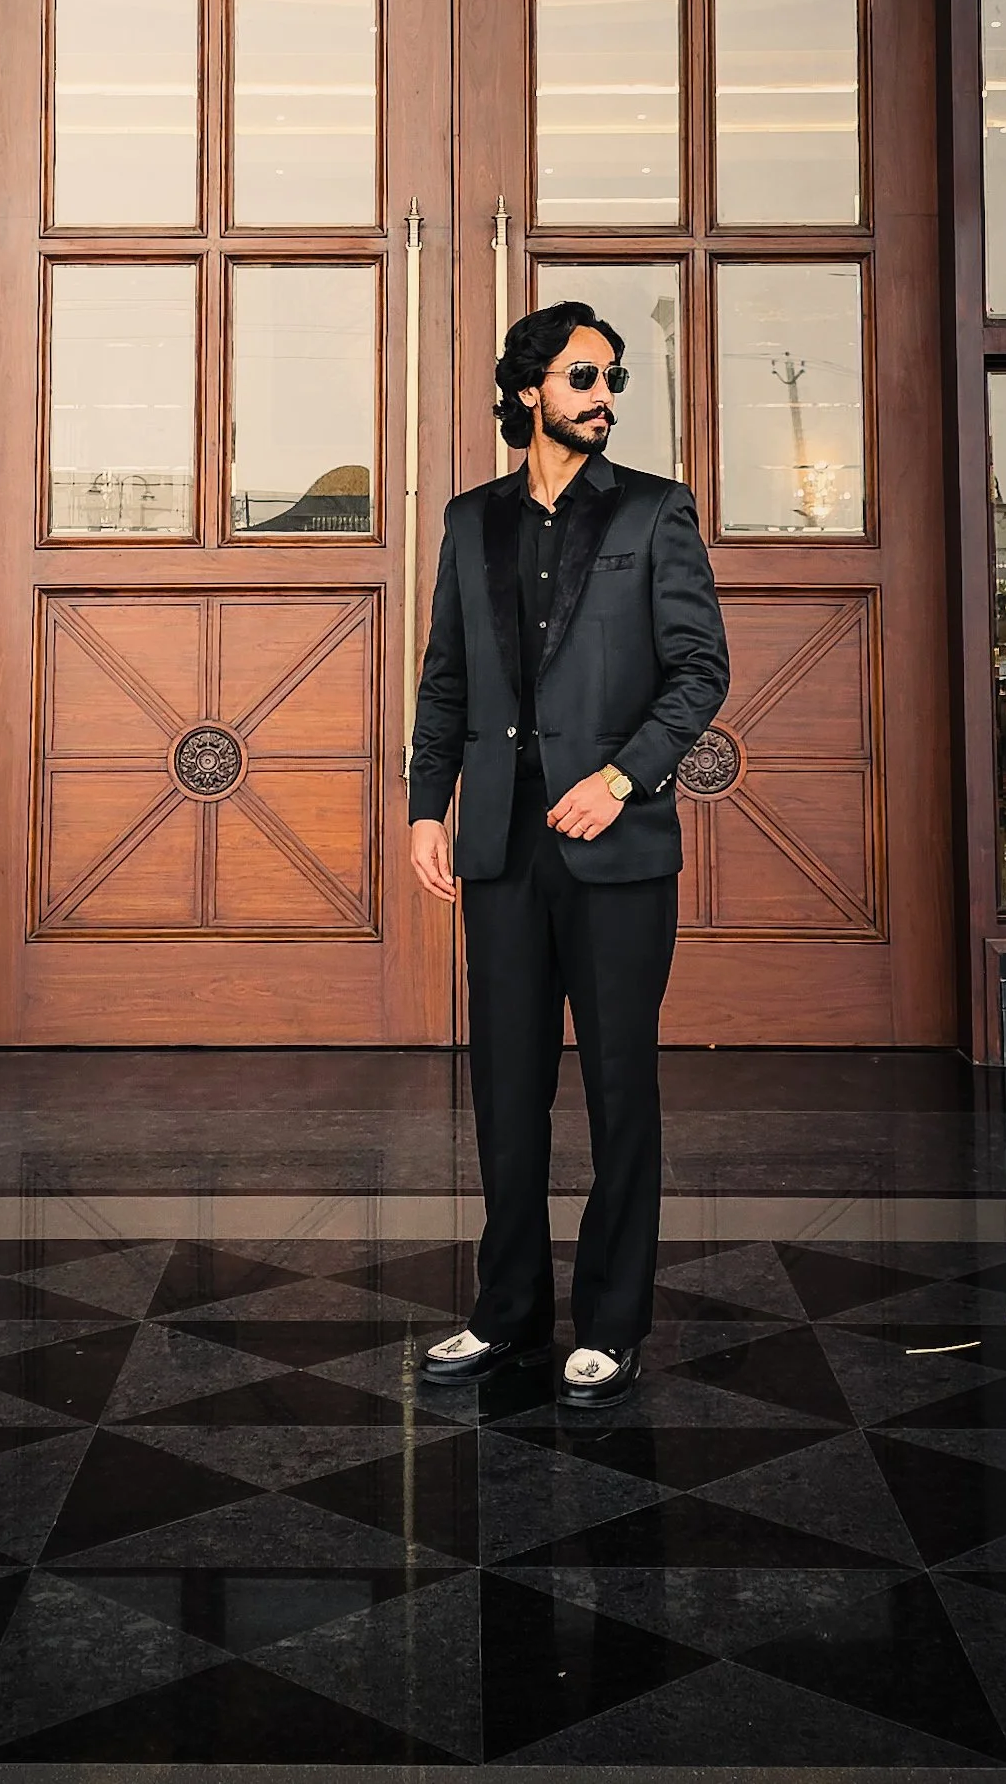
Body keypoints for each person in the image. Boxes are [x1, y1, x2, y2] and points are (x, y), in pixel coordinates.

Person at [407, 301, 729, 1409]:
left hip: (617, 849)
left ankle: (610, 1322)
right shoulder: (468, 521)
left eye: (614, 378)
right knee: (505, 1090)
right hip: (497, 846)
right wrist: (423, 806)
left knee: (618, 1087)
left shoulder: (654, 511)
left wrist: (621, 777)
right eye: (584, 375)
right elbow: (445, 676)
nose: (603, 395)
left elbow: (699, 671)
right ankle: (504, 1315)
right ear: (529, 387)